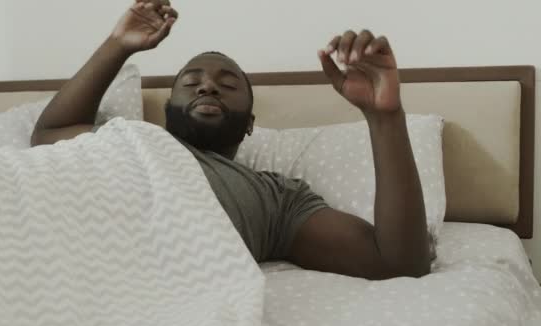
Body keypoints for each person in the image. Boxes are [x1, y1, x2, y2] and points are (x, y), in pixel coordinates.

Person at [31, 0, 431, 280]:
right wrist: (117, 44)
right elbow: (48, 135)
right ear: (167, 112)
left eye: (227, 84)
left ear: (250, 123)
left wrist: (384, 117)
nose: (207, 86)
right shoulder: (129, 138)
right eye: (191, 82)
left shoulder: (277, 198)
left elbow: (396, 262)